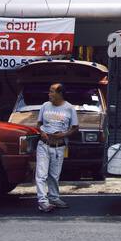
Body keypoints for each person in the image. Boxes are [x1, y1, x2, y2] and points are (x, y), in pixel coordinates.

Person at [34, 83, 78, 213]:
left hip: (59, 147)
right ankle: (42, 201)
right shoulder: (45, 106)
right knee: (41, 174)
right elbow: (38, 123)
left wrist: (63, 134)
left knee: (54, 175)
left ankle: (54, 197)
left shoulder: (69, 108)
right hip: (44, 145)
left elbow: (75, 127)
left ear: (60, 94)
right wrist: (42, 132)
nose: (49, 94)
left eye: (52, 92)